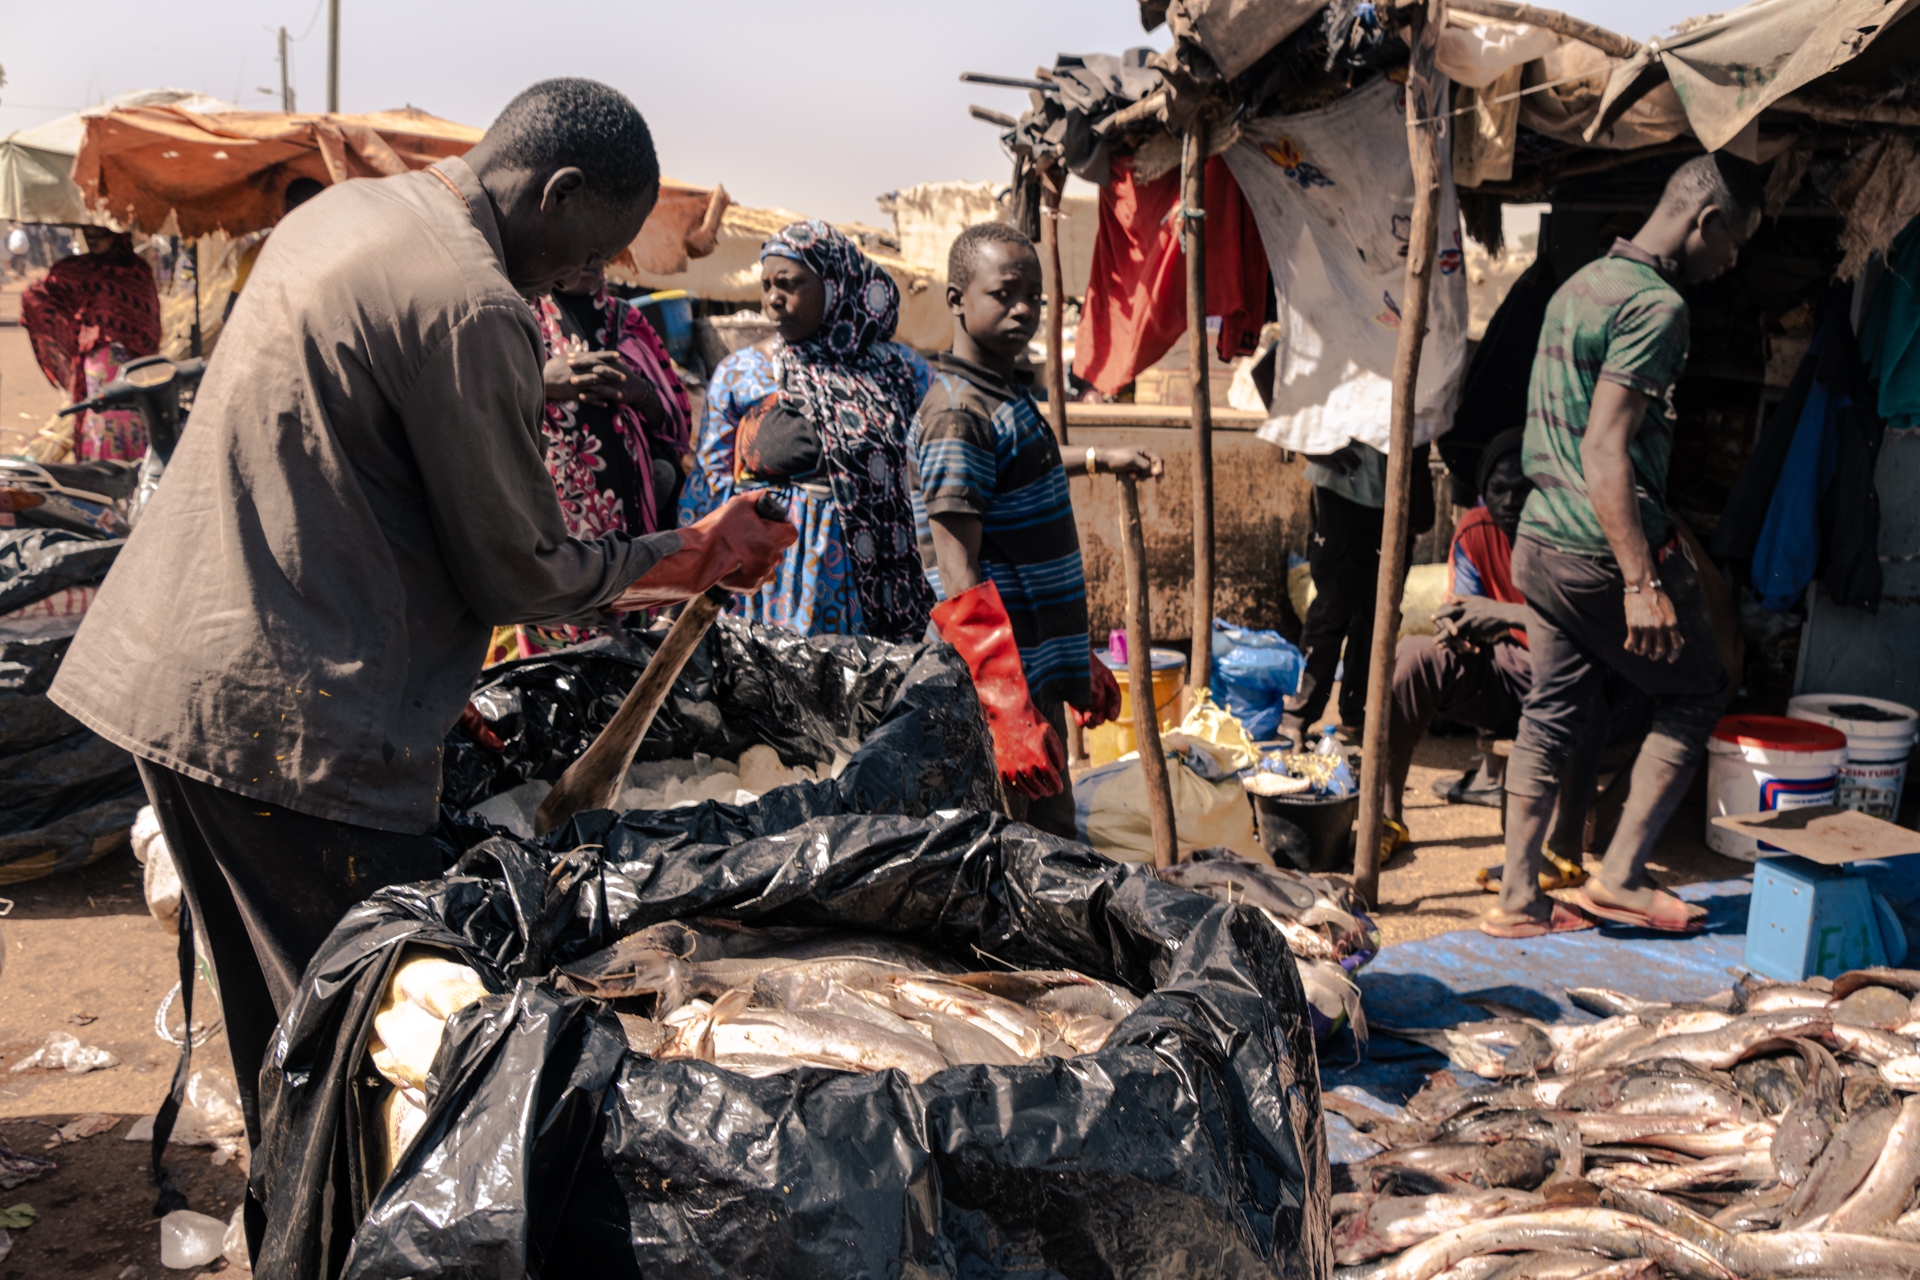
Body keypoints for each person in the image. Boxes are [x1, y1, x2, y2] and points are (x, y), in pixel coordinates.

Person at [48, 80, 796, 1170]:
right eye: (598, 249)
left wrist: (530, 392)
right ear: (561, 189)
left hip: (175, 680)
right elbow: (522, 574)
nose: (593, 277)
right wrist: (688, 554)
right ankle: (335, 1233)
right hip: (290, 728)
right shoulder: (476, 299)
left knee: (284, 1029)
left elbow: (372, 395)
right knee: (361, 1040)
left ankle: (291, 1215)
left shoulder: (353, 212)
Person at [1485, 153, 1761, 938]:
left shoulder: (1581, 285)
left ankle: (1517, 902)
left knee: (1554, 707)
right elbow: (1604, 448)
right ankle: (1622, 877)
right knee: (1698, 687)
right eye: (1735, 242)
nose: (1732, 261)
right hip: (1598, 545)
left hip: (1537, 539)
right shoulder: (1658, 307)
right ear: (1706, 223)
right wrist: (1642, 581)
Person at [911, 222, 1156, 836]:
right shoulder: (958, 414)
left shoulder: (1002, 396)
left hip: (1030, 676)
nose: (1024, 309)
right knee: (1009, 858)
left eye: (1036, 297)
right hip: (995, 694)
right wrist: (1006, 711)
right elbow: (958, 571)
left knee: (1053, 848)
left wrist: (1077, 660)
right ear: (957, 299)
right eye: (1004, 293)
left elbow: (1021, 471)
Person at [1385, 428, 1644, 881]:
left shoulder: (1575, 535)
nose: (1508, 502)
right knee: (1413, 655)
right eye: (1497, 491)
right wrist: (1456, 628)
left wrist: (1502, 614)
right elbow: (1464, 608)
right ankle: (1387, 816)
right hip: (1512, 672)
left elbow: (1590, 630)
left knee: (1581, 686)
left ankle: (1564, 852)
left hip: (1586, 678)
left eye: (1521, 491)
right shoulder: (1475, 531)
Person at [679, 220, 934, 642]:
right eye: (765, 286)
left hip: (870, 579)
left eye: (789, 284)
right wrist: (691, 575)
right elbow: (707, 484)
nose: (773, 299)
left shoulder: (900, 373)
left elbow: (930, 467)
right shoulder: (743, 373)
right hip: (767, 578)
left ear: (834, 286)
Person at [487, 259, 695, 662]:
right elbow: (485, 401)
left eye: (601, 249)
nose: (588, 260)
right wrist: (544, 379)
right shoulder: (516, 314)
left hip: (627, 522)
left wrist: (640, 393)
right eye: (579, 247)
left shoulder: (629, 321)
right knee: (550, 660)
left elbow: (677, 426)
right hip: (547, 523)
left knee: (622, 658)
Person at [1280, 438, 1432, 749]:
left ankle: (1358, 710)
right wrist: (1307, 444)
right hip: (1343, 487)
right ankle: (1300, 714)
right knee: (1332, 608)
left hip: (1400, 495)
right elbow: (1289, 397)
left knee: (1380, 614)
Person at [20, 226, 161, 460]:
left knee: (135, 418)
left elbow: (150, 320)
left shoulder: (139, 271)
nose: (92, 240)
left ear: (116, 235)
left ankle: (136, 479)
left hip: (139, 364)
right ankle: (105, 476)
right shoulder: (79, 270)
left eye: (99, 234)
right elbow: (35, 295)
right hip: (102, 362)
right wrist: (72, 328)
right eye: (88, 234)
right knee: (103, 417)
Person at [222, 176, 326, 320]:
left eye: (323, 207)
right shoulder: (265, 249)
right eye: (312, 206)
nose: (319, 214)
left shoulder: (324, 244)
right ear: (291, 206)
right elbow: (233, 312)